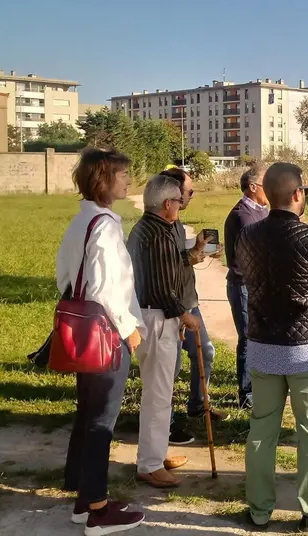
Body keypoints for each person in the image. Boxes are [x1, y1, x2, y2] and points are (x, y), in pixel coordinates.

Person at [237, 163, 308, 530]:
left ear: (266, 193)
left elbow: (244, 275)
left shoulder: (246, 237)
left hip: (264, 347)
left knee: (261, 432)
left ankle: (259, 511)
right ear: (298, 194)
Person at [56, 147, 146, 534]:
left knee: (89, 414)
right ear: (103, 178)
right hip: (106, 334)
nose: (128, 181)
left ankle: (84, 498)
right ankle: (97, 509)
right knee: (101, 423)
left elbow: (64, 275)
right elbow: (108, 287)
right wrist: (128, 328)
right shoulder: (106, 224)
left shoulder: (81, 220)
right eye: (122, 175)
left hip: (80, 331)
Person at [127, 174, 201, 489]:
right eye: (179, 202)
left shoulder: (158, 228)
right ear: (168, 204)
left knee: (161, 393)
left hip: (159, 317)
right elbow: (158, 289)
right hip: (156, 318)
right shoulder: (154, 234)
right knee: (158, 395)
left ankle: (154, 454)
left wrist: (192, 253)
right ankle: (149, 464)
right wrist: (184, 315)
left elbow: (168, 265)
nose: (181, 207)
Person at [159, 167, 225, 448]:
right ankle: (167, 421)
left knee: (205, 353)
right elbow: (163, 267)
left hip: (189, 302)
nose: (192, 195)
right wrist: (193, 254)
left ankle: (198, 404)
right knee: (169, 368)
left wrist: (196, 250)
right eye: (190, 191)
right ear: (173, 193)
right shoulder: (157, 226)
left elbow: (178, 257)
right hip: (169, 307)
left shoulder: (175, 223)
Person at [223, 164, 270, 409]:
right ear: (253, 187)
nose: (269, 190)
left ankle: (259, 385)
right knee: (248, 339)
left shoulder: (261, 210)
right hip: (244, 286)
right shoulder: (242, 215)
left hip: (258, 286)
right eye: (266, 185)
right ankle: (247, 394)